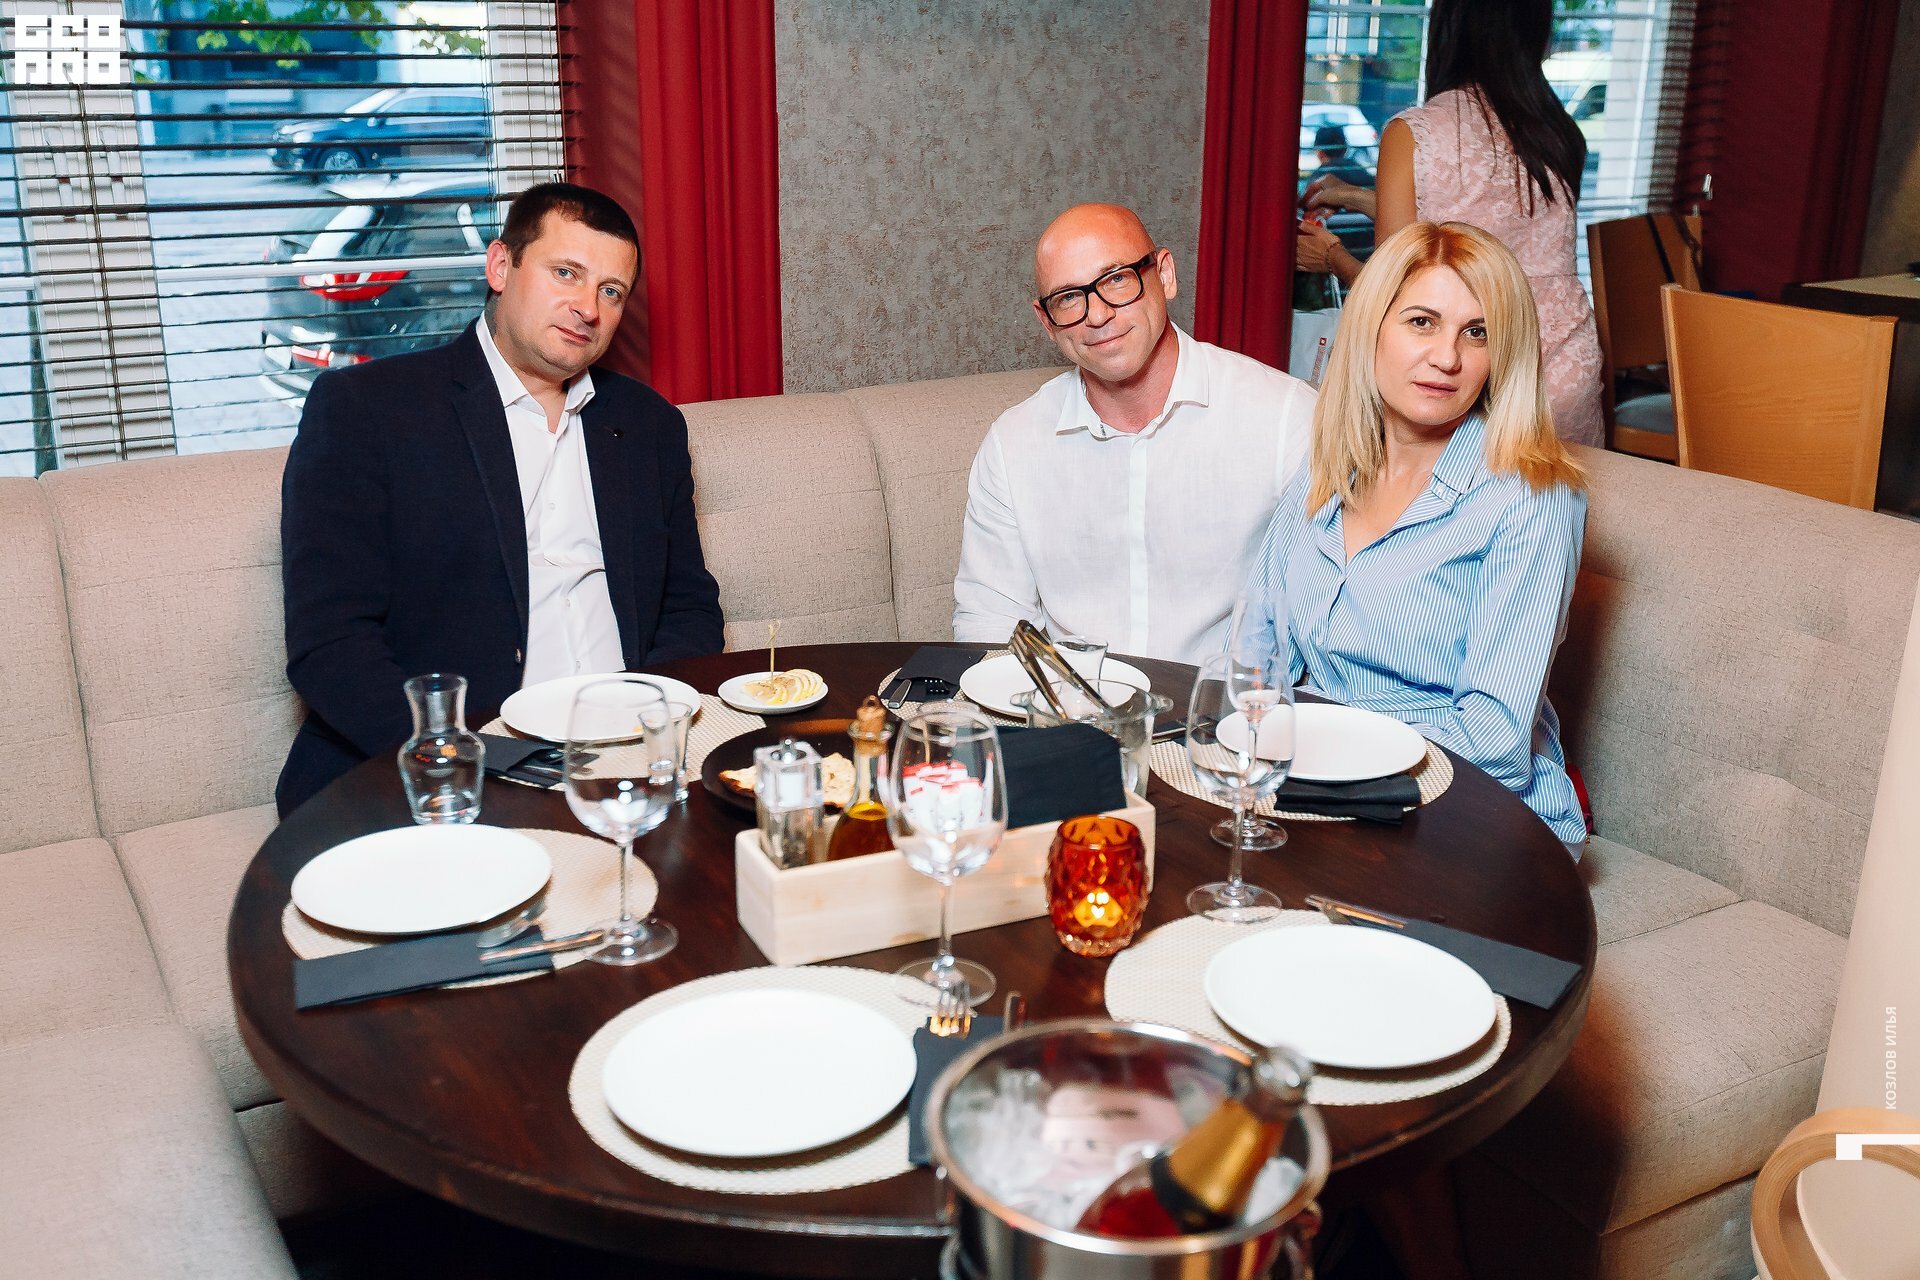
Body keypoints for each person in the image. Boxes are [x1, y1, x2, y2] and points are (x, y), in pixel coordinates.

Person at [276, 182, 724, 816]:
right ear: (500, 266)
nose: (587, 308)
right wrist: (471, 759)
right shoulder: (366, 411)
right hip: (446, 763)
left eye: (611, 291)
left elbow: (688, 606)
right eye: (566, 273)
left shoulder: (649, 426)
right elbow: (331, 644)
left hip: (624, 754)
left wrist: (651, 726)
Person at [1244, 221, 1589, 850]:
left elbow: (1495, 738)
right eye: (1422, 322)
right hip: (1319, 785)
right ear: (1372, 328)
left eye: (1477, 332)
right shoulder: (1329, 464)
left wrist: (1325, 749)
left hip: (1466, 812)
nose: (1447, 358)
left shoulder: (1530, 498)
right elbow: (1257, 647)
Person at [952, 203, 1316, 664]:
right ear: (1046, 322)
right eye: (1068, 298)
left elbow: (1324, 617)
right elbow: (991, 624)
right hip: (1071, 703)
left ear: (1165, 275)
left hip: (1223, 702)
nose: (1097, 315)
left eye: (1116, 279)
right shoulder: (1013, 444)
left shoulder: (1286, 417)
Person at [1295, 0, 1605, 448]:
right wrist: (1360, 198)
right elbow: (1496, 223)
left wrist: (1332, 257)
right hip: (1568, 365)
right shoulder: (1557, 132)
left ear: (1447, 29)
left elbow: (1395, 294)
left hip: (1481, 367)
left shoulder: (1416, 131)